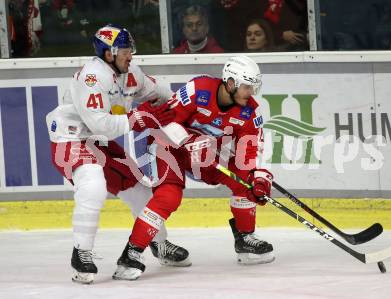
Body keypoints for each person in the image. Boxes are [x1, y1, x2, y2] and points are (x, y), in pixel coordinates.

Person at [46, 24, 191, 284]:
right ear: (108, 53)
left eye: (129, 49)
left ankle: (159, 244)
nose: (130, 55)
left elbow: (161, 95)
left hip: (98, 141)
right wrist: (139, 118)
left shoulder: (130, 72)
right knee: (93, 183)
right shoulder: (91, 76)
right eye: (124, 50)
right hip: (70, 138)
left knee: (142, 191)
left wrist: (187, 112)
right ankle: (81, 253)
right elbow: (101, 124)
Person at [113, 56, 275, 281]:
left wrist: (258, 178)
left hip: (207, 156)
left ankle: (245, 239)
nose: (251, 93)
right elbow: (165, 120)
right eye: (247, 87)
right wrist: (187, 142)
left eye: (253, 87)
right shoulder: (198, 89)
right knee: (169, 197)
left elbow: (251, 152)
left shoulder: (250, 112)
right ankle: (131, 255)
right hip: (169, 147)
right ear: (230, 83)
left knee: (245, 181)